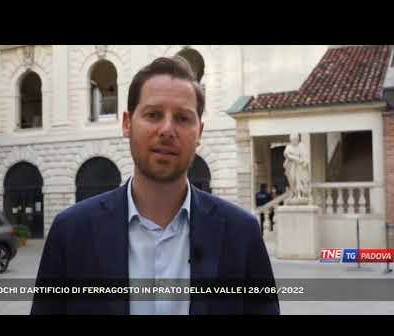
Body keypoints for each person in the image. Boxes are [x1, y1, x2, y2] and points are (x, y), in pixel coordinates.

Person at [30, 56, 279, 315]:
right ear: (127, 124)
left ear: (200, 133)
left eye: (183, 118)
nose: (167, 129)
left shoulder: (242, 234)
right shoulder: (71, 232)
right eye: (153, 115)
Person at [283, 132, 310, 200]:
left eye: (295, 140)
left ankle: (300, 194)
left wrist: (293, 157)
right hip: (291, 167)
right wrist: (294, 158)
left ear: (298, 139)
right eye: (292, 140)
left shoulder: (301, 146)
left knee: (299, 180)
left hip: (299, 167)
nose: (294, 141)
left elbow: (304, 158)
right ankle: (294, 194)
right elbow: (286, 155)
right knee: (292, 180)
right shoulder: (288, 147)